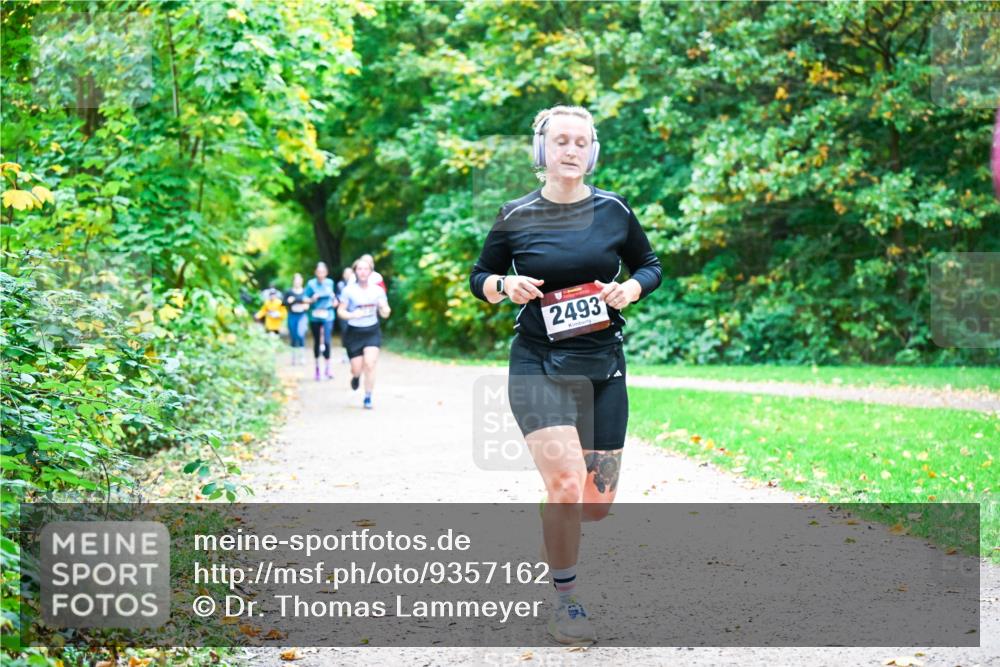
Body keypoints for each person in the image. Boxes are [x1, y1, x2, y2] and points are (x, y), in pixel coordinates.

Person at [468, 105, 662, 645]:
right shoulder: (516, 215)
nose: (571, 150)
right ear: (542, 151)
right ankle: (567, 598)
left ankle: (559, 534)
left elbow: (650, 265)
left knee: (594, 504)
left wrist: (632, 288)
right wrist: (504, 287)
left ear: (592, 151)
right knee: (564, 484)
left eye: (581, 142)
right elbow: (479, 276)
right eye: (561, 141)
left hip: (602, 363)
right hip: (537, 362)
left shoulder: (615, 211)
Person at [337, 256, 390, 409]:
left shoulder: (378, 290)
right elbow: (341, 311)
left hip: (372, 330)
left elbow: (385, 311)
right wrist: (353, 315)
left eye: (366, 269)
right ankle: (355, 377)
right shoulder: (348, 291)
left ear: (371, 272)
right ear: (355, 272)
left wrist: (384, 309)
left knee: (370, 363)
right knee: (356, 368)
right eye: (359, 269)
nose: (363, 272)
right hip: (354, 332)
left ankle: (368, 397)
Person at [305, 261, 338, 381]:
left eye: (323, 272)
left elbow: (333, 297)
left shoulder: (330, 283)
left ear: (326, 273)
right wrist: (312, 299)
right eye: (319, 272)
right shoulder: (311, 284)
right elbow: (305, 298)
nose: (321, 274)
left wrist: (335, 301)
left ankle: (328, 368)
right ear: (315, 273)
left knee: (327, 341)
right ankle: (317, 368)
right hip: (315, 315)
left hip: (328, 314)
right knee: (317, 341)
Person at [284, 273, 310, 365]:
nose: (297, 282)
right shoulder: (289, 292)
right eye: (296, 280)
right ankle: (294, 357)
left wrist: (306, 305)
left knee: (301, 334)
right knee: (293, 336)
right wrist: (288, 301)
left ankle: (302, 357)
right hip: (292, 315)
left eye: (299, 280)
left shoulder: (306, 291)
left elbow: (310, 302)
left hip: (302, 315)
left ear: (302, 281)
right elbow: (283, 303)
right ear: (293, 281)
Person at [335, 266, 355, 362]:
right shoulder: (340, 285)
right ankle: (345, 354)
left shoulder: (357, 285)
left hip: (354, 313)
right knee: (345, 332)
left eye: (350, 273)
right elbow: (338, 298)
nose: (348, 275)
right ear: (343, 275)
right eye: (346, 273)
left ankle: (354, 352)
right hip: (343, 313)